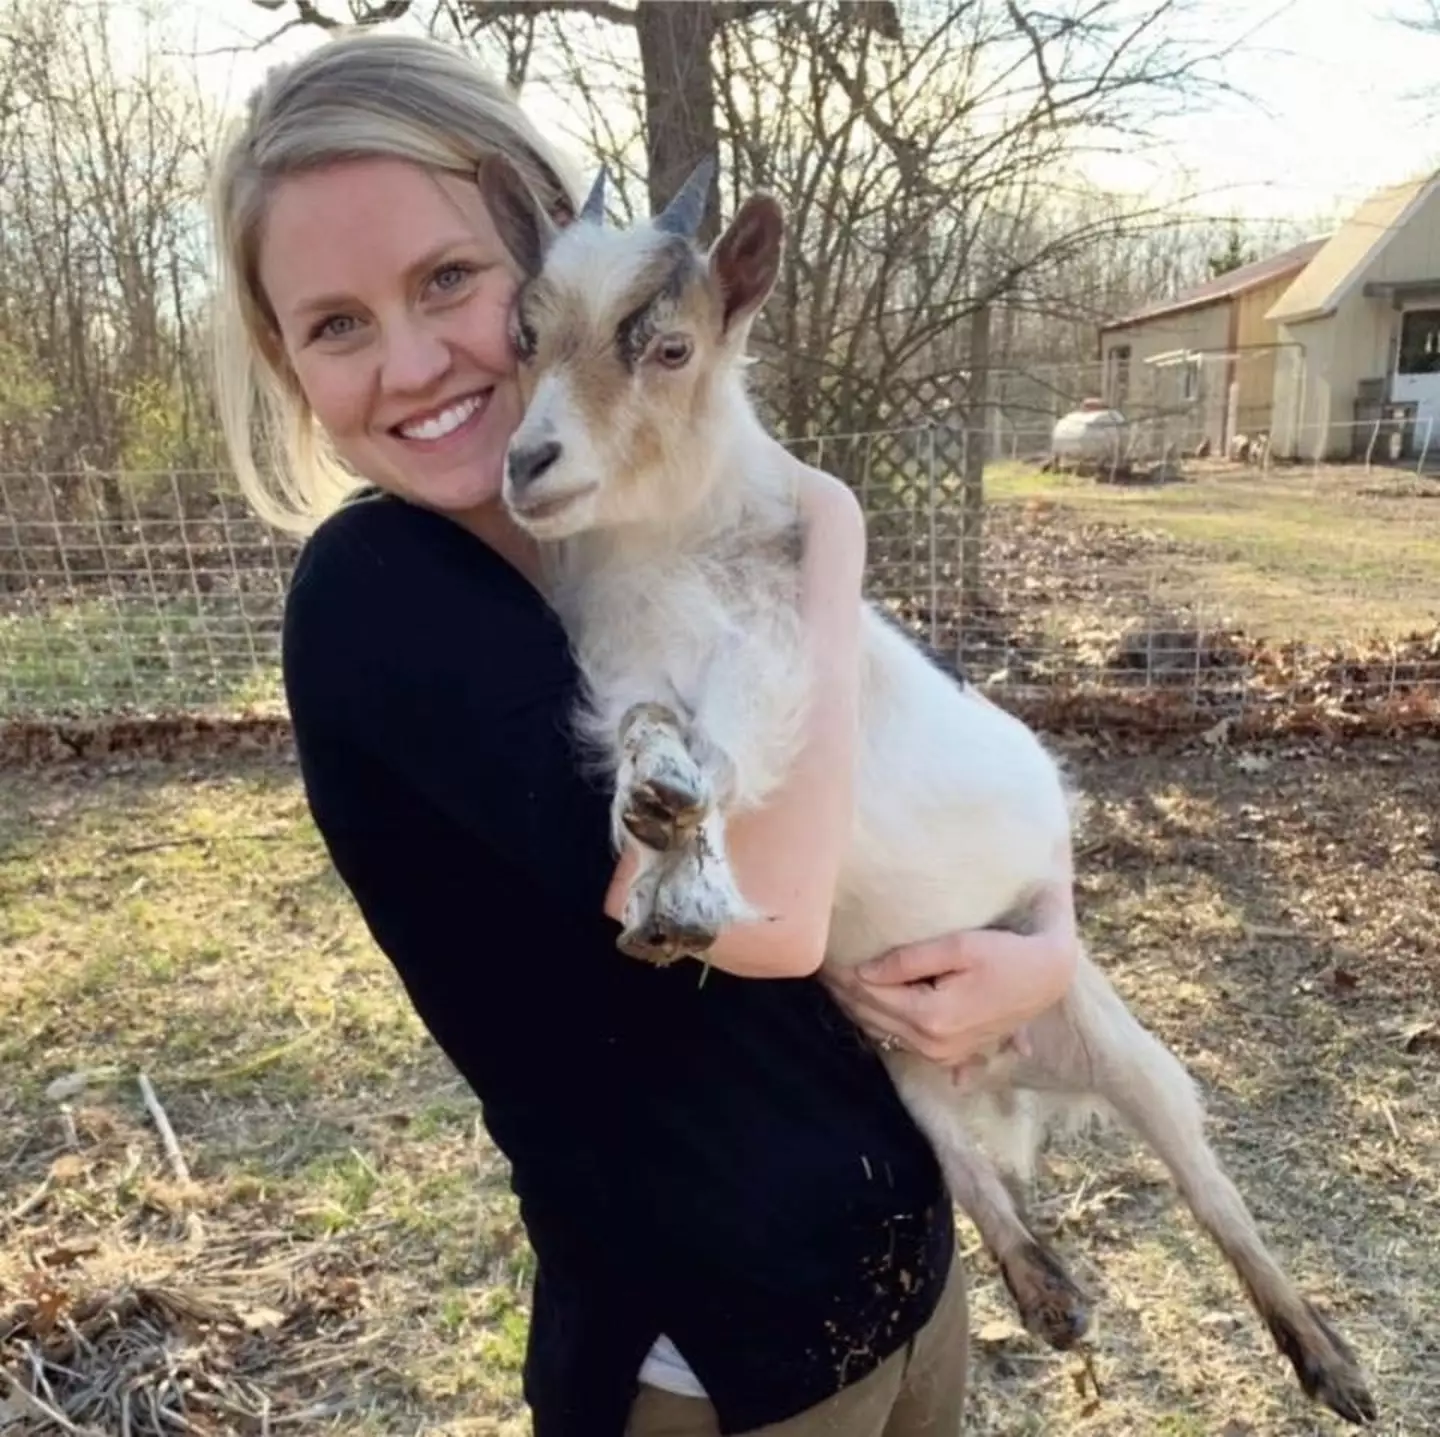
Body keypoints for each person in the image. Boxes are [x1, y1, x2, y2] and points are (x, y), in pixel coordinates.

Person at [209, 30, 1080, 1437]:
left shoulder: (629, 528)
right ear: (286, 360)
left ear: (556, 262)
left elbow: (915, 743)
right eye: (337, 325)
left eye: (449, 281)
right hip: (710, 1361)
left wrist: (1047, 939)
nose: (415, 360)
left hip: (902, 1278)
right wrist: (832, 525)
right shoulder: (378, 597)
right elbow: (761, 918)